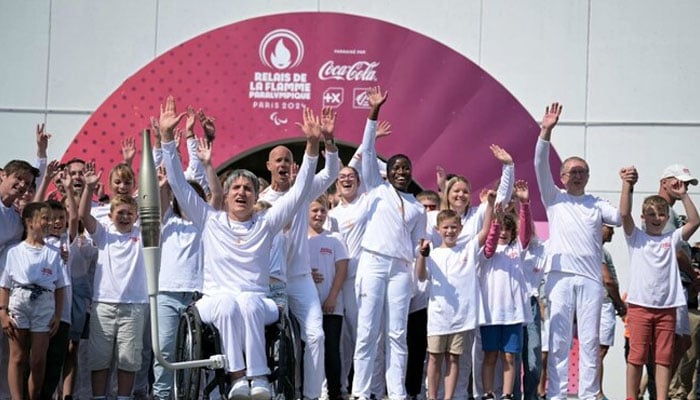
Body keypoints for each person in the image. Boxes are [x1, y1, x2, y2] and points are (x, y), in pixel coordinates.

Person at [159, 95, 324, 400]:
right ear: (226, 195)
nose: (242, 192)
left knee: (246, 303)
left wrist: (312, 146)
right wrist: (168, 139)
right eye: (236, 187)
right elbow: (180, 186)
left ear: (254, 196)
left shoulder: (266, 223)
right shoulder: (209, 220)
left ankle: (258, 378)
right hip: (214, 300)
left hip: (257, 302)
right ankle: (238, 378)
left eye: (248, 188)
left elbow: (300, 190)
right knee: (228, 304)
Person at [533, 102, 622, 400]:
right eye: (572, 171)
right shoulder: (554, 198)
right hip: (559, 277)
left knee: (589, 340)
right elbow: (539, 164)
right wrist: (546, 131)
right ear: (561, 176)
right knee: (558, 340)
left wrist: (627, 186)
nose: (578, 175)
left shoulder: (596, 204)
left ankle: (587, 394)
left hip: (590, 280)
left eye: (583, 171)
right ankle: (556, 395)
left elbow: (621, 218)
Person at [350, 86, 428, 400]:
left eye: (405, 168)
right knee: (368, 331)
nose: (400, 171)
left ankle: (396, 392)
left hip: (400, 269)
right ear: (387, 172)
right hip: (373, 262)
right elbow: (367, 152)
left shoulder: (418, 207)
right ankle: (360, 391)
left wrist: (420, 266)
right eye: (394, 167)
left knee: (397, 334)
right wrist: (373, 112)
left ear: (410, 174)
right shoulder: (375, 188)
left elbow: (417, 245)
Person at [259, 107, 339, 400]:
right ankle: (272, 391)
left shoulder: (304, 191)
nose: (284, 164)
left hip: (302, 280)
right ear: (269, 165)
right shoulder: (259, 202)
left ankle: (312, 395)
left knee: (316, 336)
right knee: (273, 340)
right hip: (272, 281)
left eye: (288, 160)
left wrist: (327, 140)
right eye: (278, 160)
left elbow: (330, 172)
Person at [619, 165, 700, 400]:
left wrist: (684, 194)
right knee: (637, 356)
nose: (657, 219)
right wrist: (626, 185)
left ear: (667, 217)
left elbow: (694, 221)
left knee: (663, 358)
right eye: (651, 214)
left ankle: (661, 397)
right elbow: (624, 214)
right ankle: (631, 396)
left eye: (661, 214)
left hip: (667, 308)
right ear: (643, 217)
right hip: (640, 306)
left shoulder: (671, 238)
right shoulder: (636, 237)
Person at [152, 134, 222, 400]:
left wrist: (208, 165)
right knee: (165, 353)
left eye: (195, 195)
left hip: (198, 295)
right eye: (184, 195)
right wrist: (163, 185)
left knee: (199, 354)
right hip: (167, 294)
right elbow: (160, 201)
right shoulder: (166, 219)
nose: (189, 199)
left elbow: (217, 195)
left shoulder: (206, 221)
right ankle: (161, 396)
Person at [416, 187, 494, 400]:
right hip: (438, 316)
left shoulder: (468, 248)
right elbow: (421, 276)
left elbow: (486, 231)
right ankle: (432, 396)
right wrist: (422, 256)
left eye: (453, 227)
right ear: (438, 229)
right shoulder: (433, 253)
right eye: (445, 228)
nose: (450, 231)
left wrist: (490, 205)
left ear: (460, 229)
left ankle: (448, 397)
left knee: (453, 358)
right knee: (434, 358)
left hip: (461, 317)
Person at [0, 202, 67, 399]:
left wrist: (57, 315)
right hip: (19, 301)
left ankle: (33, 396)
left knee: (38, 360)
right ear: (29, 221)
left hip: (44, 304)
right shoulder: (14, 251)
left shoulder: (54, 253)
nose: (49, 222)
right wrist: (2, 312)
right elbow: (4, 284)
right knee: (18, 357)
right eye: (44, 218)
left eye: (51, 218)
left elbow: (60, 287)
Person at [479, 180, 532, 400]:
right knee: (490, 355)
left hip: (513, 314)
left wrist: (525, 205)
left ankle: (508, 394)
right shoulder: (486, 251)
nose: (503, 234)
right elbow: (490, 243)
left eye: (507, 230)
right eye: (501, 230)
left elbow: (526, 233)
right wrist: (495, 223)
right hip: (491, 313)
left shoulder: (517, 250)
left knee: (511, 357)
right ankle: (489, 393)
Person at [308, 195, 349, 400]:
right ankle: (309, 392)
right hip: (307, 305)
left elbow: (342, 269)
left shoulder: (335, 238)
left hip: (332, 304)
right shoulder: (299, 239)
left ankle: (335, 392)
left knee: (331, 349)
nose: (319, 215)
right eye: (314, 210)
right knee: (309, 348)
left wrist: (332, 297)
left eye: (323, 211)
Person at [598, 224, 626, 400]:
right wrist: (619, 304)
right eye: (609, 227)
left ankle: (596, 392)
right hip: (604, 304)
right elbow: (607, 280)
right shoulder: (597, 248)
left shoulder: (599, 249)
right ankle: (597, 393)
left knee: (598, 351)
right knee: (599, 351)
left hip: (602, 304)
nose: (613, 232)